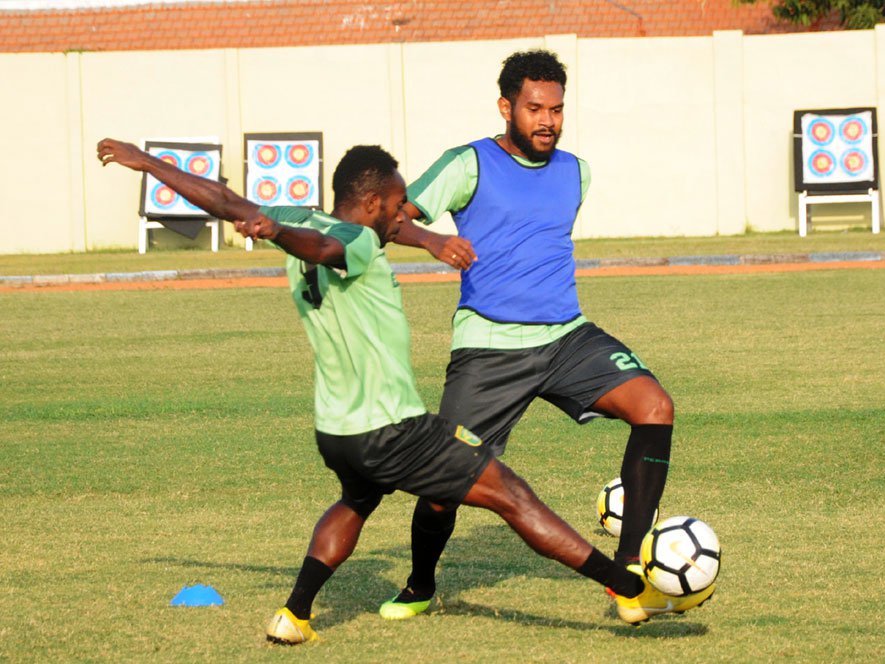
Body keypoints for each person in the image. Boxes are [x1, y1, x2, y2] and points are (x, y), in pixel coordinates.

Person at [96, 138, 692, 643]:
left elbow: (225, 202)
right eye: (401, 202)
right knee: (513, 496)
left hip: (337, 430)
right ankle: (628, 586)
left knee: (357, 501)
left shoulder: (302, 215)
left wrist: (149, 165)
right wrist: (276, 231)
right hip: (394, 429)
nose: (407, 212)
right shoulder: (352, 242)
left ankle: (294, 615)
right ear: (375, 201)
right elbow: (331, 250)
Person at [383, 49, 705, 623]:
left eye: (557, 109)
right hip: (488, 349)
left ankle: (627, 572)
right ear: (506, 106)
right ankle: (421, 584)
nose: (547, 120)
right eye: (535, 108)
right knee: (440, 485)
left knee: (654, 405)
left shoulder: (576, 171)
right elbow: (392, 215)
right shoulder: (469, 163)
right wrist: (432, 242)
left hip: (567, 339)